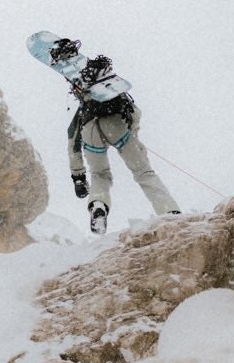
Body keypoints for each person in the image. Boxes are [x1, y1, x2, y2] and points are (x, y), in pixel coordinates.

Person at [35, 34, 179, 235]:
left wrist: (78, 176)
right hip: (118, 126)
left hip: (90, 129)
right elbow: (135, 114)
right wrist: (133, 137)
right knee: (144, 173)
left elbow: (72, 141)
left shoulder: (83, 110)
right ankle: (170, 211)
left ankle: (98, 207)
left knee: (100, 175)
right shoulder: (116, 95)